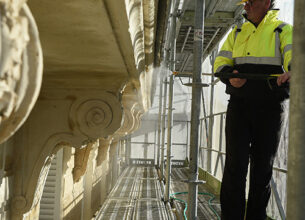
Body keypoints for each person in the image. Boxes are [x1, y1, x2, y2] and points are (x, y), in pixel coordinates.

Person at [213, 0, 292, 219]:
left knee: (262, 171)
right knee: (234, 167)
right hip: (239, 107)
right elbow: (220, 62)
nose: (245, 6)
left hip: (271, 109)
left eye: (250, 2)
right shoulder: (237, 32)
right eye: (244, 3)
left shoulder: (283, 30)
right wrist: (229, 75)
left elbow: (295, 57)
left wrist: (292, 71)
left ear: (266, 2)